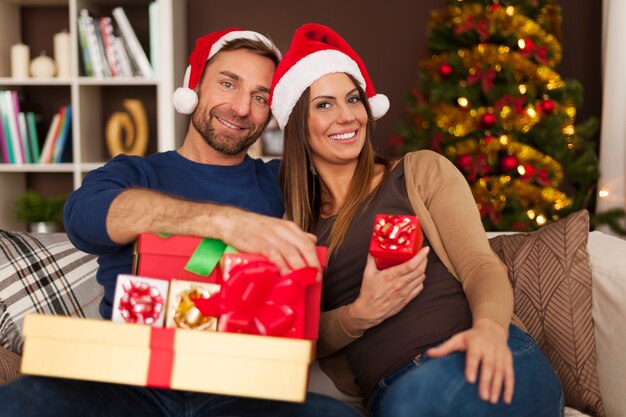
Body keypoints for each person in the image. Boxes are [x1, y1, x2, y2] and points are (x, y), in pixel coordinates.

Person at [0, 28, 361, 417]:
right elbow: (83, 219)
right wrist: (225, 223)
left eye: (260, 97)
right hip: (127, 384)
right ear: (194, 87)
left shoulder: (284, 181)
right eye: (228, 84)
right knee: (21, 403)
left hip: (241, 391)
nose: (241, 108)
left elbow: (362, 175)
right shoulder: (135, 173)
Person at [270, 23, 564, 417]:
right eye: (324, 104)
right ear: (297, 124)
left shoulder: (418, 173)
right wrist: (358, 314)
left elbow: (480, 265)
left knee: (416, 403)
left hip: (481, 354)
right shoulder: (295, 226)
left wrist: (490, 331)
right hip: (389, 392)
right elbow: (298, 334)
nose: (347, 116)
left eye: (353, 99)